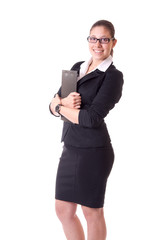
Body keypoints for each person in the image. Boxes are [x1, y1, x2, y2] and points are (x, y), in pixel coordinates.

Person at [49, 20, 124, 240]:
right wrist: (60, 105)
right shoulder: (77, 67)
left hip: (94, 152)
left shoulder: (112, 76)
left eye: (104, 39)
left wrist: (60, 106)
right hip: (70, 147)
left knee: (91, 211)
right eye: (93, 38)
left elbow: (91, 118)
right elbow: (52, 103)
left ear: (113, 42)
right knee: (63, 209)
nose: (97, 44)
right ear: (88, 40)